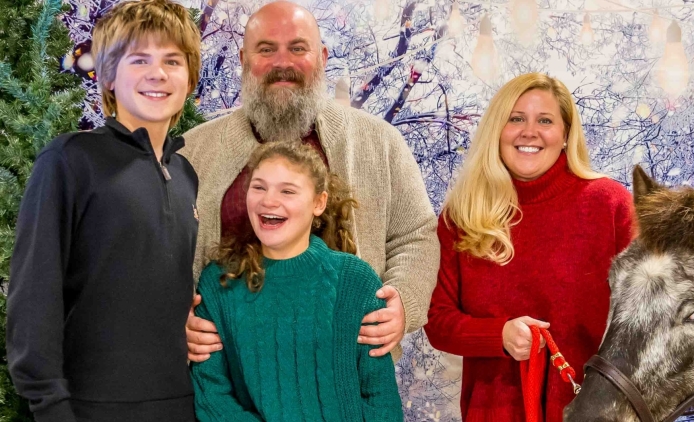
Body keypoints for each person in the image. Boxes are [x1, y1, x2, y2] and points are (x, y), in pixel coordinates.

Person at [180, 1, 438, 362]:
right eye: (266, 49)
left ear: (323, 57)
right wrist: (179, 316)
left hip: (344, 370)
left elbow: (416, 234)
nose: (282, 62)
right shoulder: (193, 150)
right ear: (243, 59)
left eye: (298, 48)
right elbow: (163, 255)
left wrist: (401, 303)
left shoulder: (380, 141)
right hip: (228, 370)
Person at [5, 1, 202, 420]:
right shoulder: (70, 161)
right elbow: (35, 295)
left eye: (172, 60)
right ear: (109, 75)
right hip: (88, 408)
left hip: (179, 404)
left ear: (190, 77)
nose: (158, 73)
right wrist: (51, 405)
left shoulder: (186, 175)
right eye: (139, 59)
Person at [423, 73, 636, 421]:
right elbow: (438, 322)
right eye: (516, 119)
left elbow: (649, 317)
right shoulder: (462, 215)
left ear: (566, 134)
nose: (529, 132)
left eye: (545, 121)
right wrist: (499, 335)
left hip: (593, 412)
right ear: (497, 130)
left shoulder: (611, 205)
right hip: (493, 413)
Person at [190, 142, 403, 421]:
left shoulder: (355, 280)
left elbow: (380, 397)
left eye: (287, 191)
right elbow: (211, 394)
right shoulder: (219, 283)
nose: (269, 200)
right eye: (259, 187)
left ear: (319, 203)